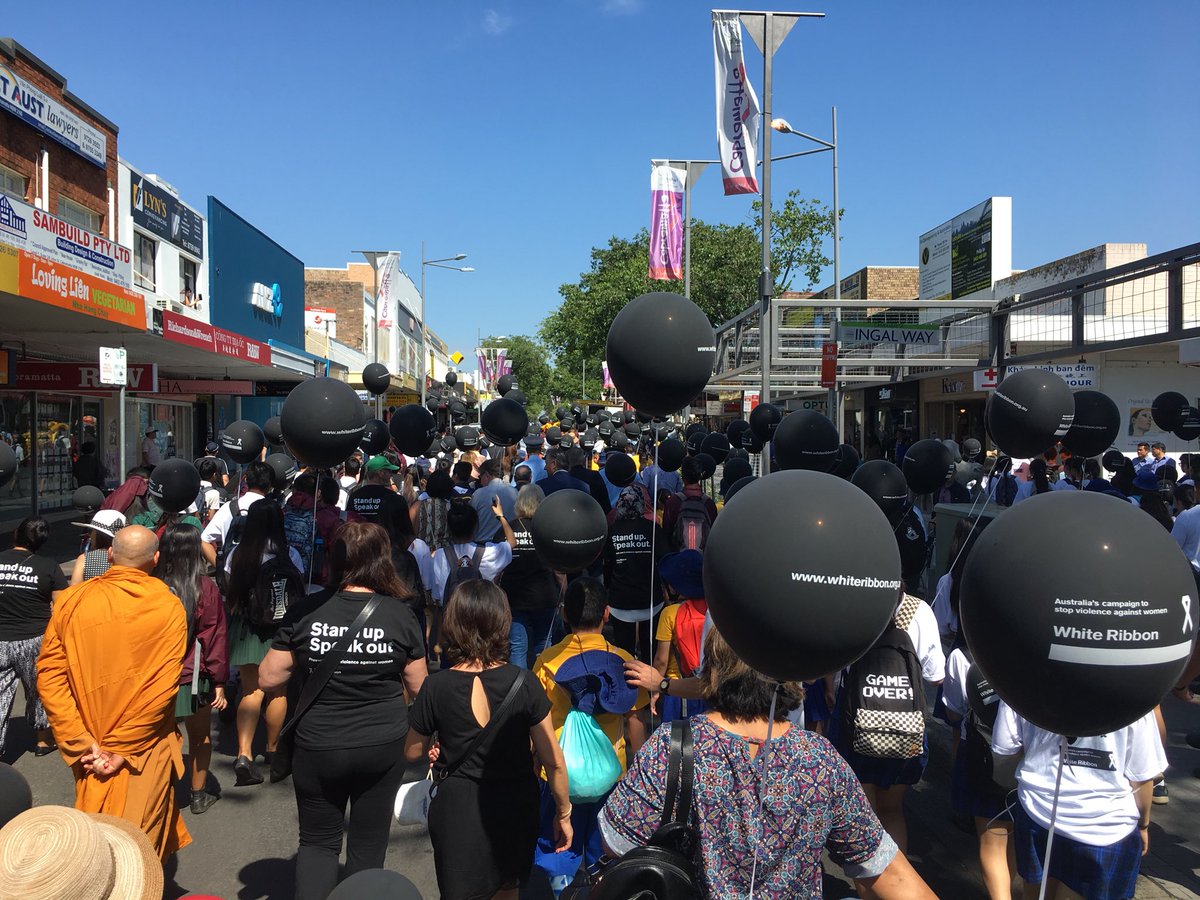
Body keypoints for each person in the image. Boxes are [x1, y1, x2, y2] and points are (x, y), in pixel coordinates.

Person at [599, 626, 935, 898]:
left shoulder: (673, 745)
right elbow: (890, 873)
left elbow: (617, 842)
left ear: (712, 670)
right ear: (791, 674)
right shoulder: (820, 760)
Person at [260, 522, 429, 900]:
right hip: (381, 745)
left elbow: (269, 678)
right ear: (382, 561)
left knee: (318, 843)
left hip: (319, 745)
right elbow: (420, 688)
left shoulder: (306, 610)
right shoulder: (399, 615)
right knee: (368, 847)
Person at [405, 580, 572, 900]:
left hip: (458, 812)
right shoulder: (525, 683)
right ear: (502, 622)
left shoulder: (436, 687)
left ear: (453, 623)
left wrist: (435, 744)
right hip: (515, 807)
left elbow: (412, 751)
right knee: (507, 891)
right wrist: (562, 812)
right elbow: (553, 759)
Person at [36, 525, 191, 859]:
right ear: (156, 559)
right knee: (135, 850)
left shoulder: (73, 600)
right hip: (140, 748)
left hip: (90, 744)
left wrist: (79, 741)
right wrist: (120, 748)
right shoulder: (167, 606)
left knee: (100, 848)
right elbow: (162, 691)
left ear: (108, 555)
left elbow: (49, 676)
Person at [532, 577, 648, 893]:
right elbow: (634, 718)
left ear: (564, 616)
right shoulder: (624, 660)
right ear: (606, 614)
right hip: (612, 774)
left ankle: (562, 891)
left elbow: (536, 726)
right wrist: (637, 769)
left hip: (559, 776)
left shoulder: (546, 662)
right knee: (606, 854)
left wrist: (534, 768)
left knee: (558, 848)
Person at [992, 701, 1165, 900]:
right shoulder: (1135, 692)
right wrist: (1143, 824)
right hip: (1106, 826)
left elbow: (1005, 747)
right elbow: (1142, 777)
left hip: (1037, 810)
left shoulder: (1024, 677)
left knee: (1036, 893)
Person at [830, 588, 945, 854]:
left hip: (856, 725)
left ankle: (869, 889)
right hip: (905, 730)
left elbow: (836, 667)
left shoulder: (852, 607)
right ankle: (895, 884)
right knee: (893, 810)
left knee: (863, 815)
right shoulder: (919, 611)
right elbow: (935, 675)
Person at [224, 498, 303, 786]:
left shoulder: (238, 553)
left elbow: (231, 590)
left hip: (247, 627)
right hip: (280, 629)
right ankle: (272, 750)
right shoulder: (289, 554)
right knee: (278, 692)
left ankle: (243, 753)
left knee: (251, 691)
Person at [153, 524, 228, 815]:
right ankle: (198, 794)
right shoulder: (205, 588)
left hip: (157, 676)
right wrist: (220, 681)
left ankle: (160, 795)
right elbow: (214, 636)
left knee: (160, 739)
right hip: (195, 676)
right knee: (200, 737)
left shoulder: (153, 584)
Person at [0, 517, 68, 756]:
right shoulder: (48, 566)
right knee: (40, 689)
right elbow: (62, 608)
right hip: (36, 638)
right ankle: (42, 740)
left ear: (16, 534)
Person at [501, 484, 562, 668]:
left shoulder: (508, 528)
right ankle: (543, 689)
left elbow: (497, 564)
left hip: (514, 597)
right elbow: (558, 567)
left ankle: (520, 692)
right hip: (544, 596)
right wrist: (563, 592)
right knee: (544, 647)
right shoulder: (548, 529)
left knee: (517, 648)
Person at [603, 485, 667, 659]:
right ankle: (648, 684)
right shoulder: (652, 529)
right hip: (650, 599)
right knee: (650, 654)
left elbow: (607, 564)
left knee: (625, 655)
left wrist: (607, 589)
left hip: (621, 600)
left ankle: (627, 684)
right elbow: (665, 559)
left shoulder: (612, 531)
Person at [651, 549, 709, 723]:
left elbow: (661, 661)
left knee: (674, 745)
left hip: (676, 689)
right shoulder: (714, 610)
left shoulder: (670, 613)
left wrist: (656, 687)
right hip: (707, 688)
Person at [430, 499, 516, 605]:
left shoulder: (439, 556)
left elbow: (436, 597)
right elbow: (512, 542)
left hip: (452, 618)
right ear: (475, 527)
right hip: (482, 615)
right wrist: (500, 516)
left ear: (450, 529)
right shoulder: (489, 553)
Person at [201, 460, 274, 567]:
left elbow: (204, 541)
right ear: (270, 485)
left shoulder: (229, 507)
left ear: (246, 481)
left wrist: (222, 568)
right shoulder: (273, 510)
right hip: (263, 577)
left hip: (233, 576)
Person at [661, 456, 718, 551]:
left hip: (679, 558)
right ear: (701, 476)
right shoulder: (708, 503)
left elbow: (667, 533)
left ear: (683, 476)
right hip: (702, 560)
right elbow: (713, 535)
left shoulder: (674, 502)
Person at [68, 509, 125, 586]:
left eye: (91, 531)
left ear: (98, 534)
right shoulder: (128, 558)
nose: (90, 535)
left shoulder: (85, 559)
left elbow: (74, 590)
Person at [472, 458, 519, 542]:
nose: (481, 482)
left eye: (480, 477)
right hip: (507, 544)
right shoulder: (515, 492)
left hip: (483, 545)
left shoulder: (478, 494)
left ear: (486, 475)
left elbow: (471, 520)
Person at [568, 447, 612, 514]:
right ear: (583, 460)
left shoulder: (563, 477)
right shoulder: (594, 476)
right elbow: (605, 503)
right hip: (593, 516)